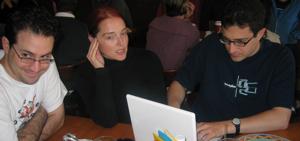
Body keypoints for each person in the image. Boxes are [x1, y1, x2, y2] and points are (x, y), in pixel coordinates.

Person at [167, 0, 295, 140]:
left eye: (240, 42)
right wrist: (175, 113)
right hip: (201, 133)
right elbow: (179, 83)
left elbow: (281, 117)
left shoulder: (279, 58)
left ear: (260, 34)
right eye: (226, 39)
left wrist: (226, 126)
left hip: (247, 135)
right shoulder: (211, 44)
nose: (231, 49)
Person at [73, 6, 166, 128]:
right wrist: (101, 72)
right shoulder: (84, 73)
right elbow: (107, 121)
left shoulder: (148, 60)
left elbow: (160, 111)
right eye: (110, 37)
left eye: (123, 33)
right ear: (92, 40)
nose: (121, 43)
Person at [0, 7, 67, 141]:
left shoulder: (45, 61)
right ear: (6, 45)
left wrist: (30, 135)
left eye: (45, 56)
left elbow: (58, 117)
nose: (36, 68)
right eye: (26, 55)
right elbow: (51, 112)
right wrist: (43, 110)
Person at [146, 0, 200, 71]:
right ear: (186, 7)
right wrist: (187, 19)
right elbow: (195, 54)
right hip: (173, 77)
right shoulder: (191, 30)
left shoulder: (154, 22)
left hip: (148, 71)